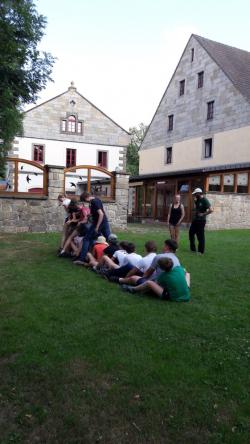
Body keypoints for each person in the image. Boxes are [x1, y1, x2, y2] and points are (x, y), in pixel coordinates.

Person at [121, 258, 190, 302]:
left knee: (149, 283)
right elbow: (184, 270)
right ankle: (185, 287)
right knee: (187, 274)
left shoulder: (163, 276)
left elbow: (154, 286)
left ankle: (133, 289)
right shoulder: (179, 268)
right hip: (186, 295)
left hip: (173, 298)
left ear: (161, 268)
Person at [74, 191, 111, 265]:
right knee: (109, 239)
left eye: (84, 200)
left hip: (99, 223)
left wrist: (97, 227)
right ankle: (115, 256)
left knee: (86, 239)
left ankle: (82, 259)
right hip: (104, 222)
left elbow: (101, 214)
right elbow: (95, 213)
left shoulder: (94, 201)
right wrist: (89, 215)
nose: (85, 202)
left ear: (85, 198)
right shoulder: (96, 200)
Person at [189, 188, 213, 255]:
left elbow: (211, 210)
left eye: (195, 194)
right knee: (191, 233)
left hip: (201, 221)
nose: (194, 195)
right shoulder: (197, 200)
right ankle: (193, 249)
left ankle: (200, 251)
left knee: (200, 236)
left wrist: (203, 214)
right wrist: (195, 202)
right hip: (195, 220)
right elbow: (198, 207)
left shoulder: (205, 200)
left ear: (199, 193)